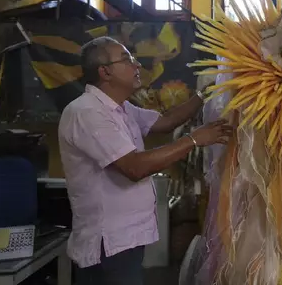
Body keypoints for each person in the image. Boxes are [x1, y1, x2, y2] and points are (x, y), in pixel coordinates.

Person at [57, 36, 232, 285]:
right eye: (127, 59)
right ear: (105, 72)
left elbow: (165, 121)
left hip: (126, 239)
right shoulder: (87, 113)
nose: (137, 65)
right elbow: (134, 167)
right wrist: (194, 140)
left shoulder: (121, 107)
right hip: (108, 244)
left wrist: (204, 94)